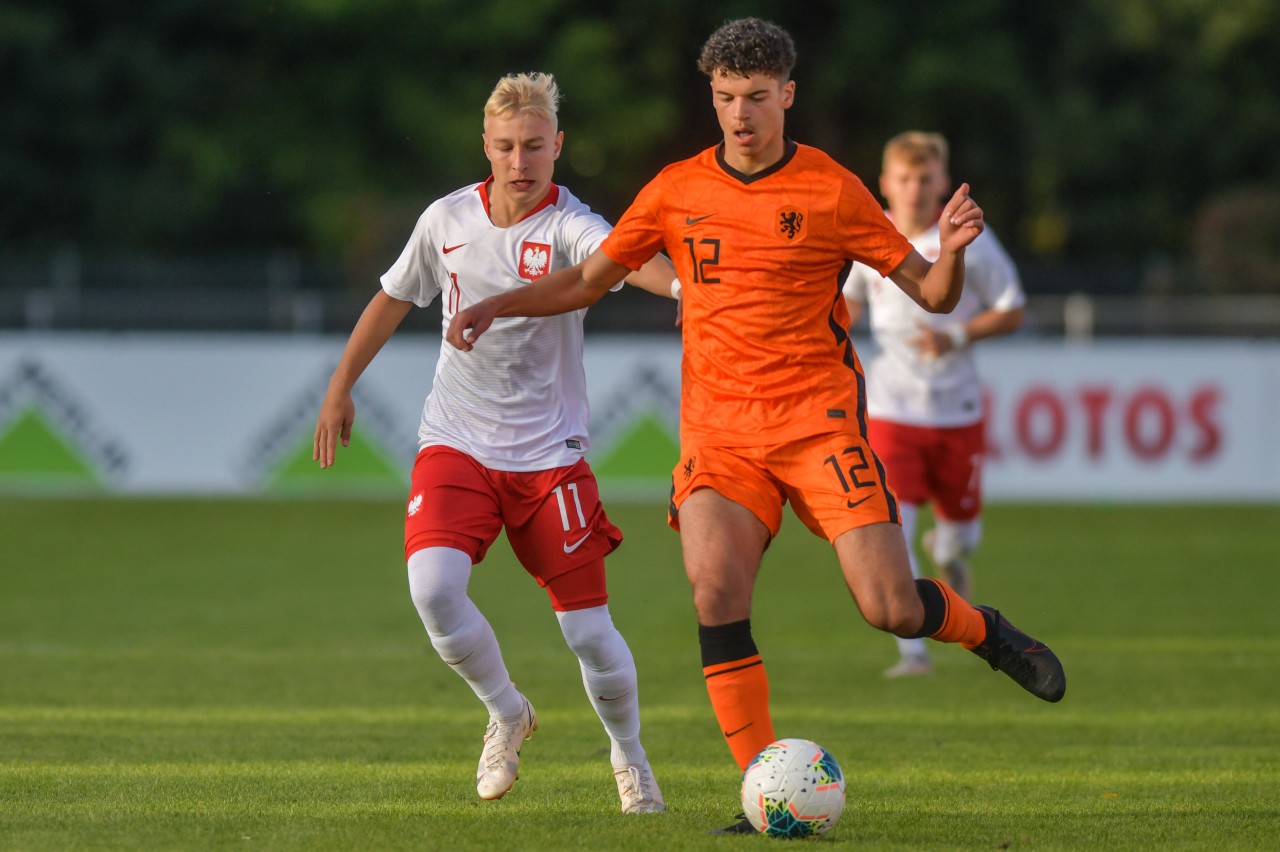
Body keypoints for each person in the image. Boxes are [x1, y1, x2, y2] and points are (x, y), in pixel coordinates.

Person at [445, 21, 1066, 834]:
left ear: (787, 96)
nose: (741, 115)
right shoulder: (673, 190)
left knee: (889, 608)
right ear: (712, 95)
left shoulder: (832, 190)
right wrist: (496, 302)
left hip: (820, 426)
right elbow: (586, 281)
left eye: (757, 98)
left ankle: (985, 630)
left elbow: (934, 294)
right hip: (720, 435)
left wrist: (947, 251)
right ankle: (764, 789)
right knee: (715, 590)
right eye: (727, 98)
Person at [313, 72, 677, 814]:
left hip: (550, 456)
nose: (520, 161)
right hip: (457, 441)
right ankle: (508, 710)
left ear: (558, 146)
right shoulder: (445, 219)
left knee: (589, 634)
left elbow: (625, 258)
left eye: (535, 146)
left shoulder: (571, 223)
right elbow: (391, 296)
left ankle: (629, 756)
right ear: (486, 145)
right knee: (433, 589)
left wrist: (683, 290)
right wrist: (338, 385)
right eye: (507, 146)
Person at [843, 132, 1026, 679]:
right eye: (903, 178)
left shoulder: (972, 240)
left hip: (957, 411)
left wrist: (959, 337)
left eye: (925, 179)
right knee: (892, 527)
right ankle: (914, 653)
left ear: (943, 183)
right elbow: (848, 304)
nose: (915, 189)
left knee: (963, 533)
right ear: (885, 184)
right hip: (892, 411)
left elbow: (1012, 310)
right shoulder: (872, 235)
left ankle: (949, 551)